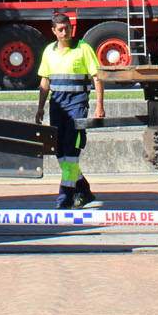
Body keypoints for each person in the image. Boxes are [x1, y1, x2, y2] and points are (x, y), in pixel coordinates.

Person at [34, 12, 106, 209]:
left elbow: (96, 78)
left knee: (71, 151)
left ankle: (64, 198)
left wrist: (100, 105)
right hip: (57, 107)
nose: (65, 32)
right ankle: (84, 190)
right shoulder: (49, 51)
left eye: (68, 28)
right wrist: (40, 108)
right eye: (61, 29)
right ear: (54, 31)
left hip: (77, 106)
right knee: (60, 153)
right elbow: (45, 81)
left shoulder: (83, 49)